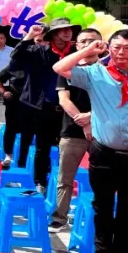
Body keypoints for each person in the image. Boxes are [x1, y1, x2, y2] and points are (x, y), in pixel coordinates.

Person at [53, 29, 128, 253]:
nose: (121, 52)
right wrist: (88, 49)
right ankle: (103, 251)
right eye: (116, 47)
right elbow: (60, 68)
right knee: (102, 205)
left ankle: (121, 252)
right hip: (103, 151)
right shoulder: (95, 74)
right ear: (108, 48)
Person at [9, 17, 74, 192]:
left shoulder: (75, 51)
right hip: (43, 107)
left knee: (68, 147)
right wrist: (29, 36)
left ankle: (63, 183)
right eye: (63, 29)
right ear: (53, 34)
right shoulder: (39, 50)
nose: (68, 32)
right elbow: (15, 57)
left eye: (70, 29)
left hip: (70, 109)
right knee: (42, 147)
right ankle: (40, 182)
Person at [51, 28, 101, 232]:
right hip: (72, 132)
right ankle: (59, 217)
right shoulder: (67, 70)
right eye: (83, 41)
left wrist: (92, 117)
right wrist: (84, 122)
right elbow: (64, 100)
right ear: (77, 46)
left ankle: (98, 217)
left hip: (102, 132)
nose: (88, 44)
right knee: (65, 179)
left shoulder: (108, 71)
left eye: (93, 41)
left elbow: (113, 102)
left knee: (102, 179)